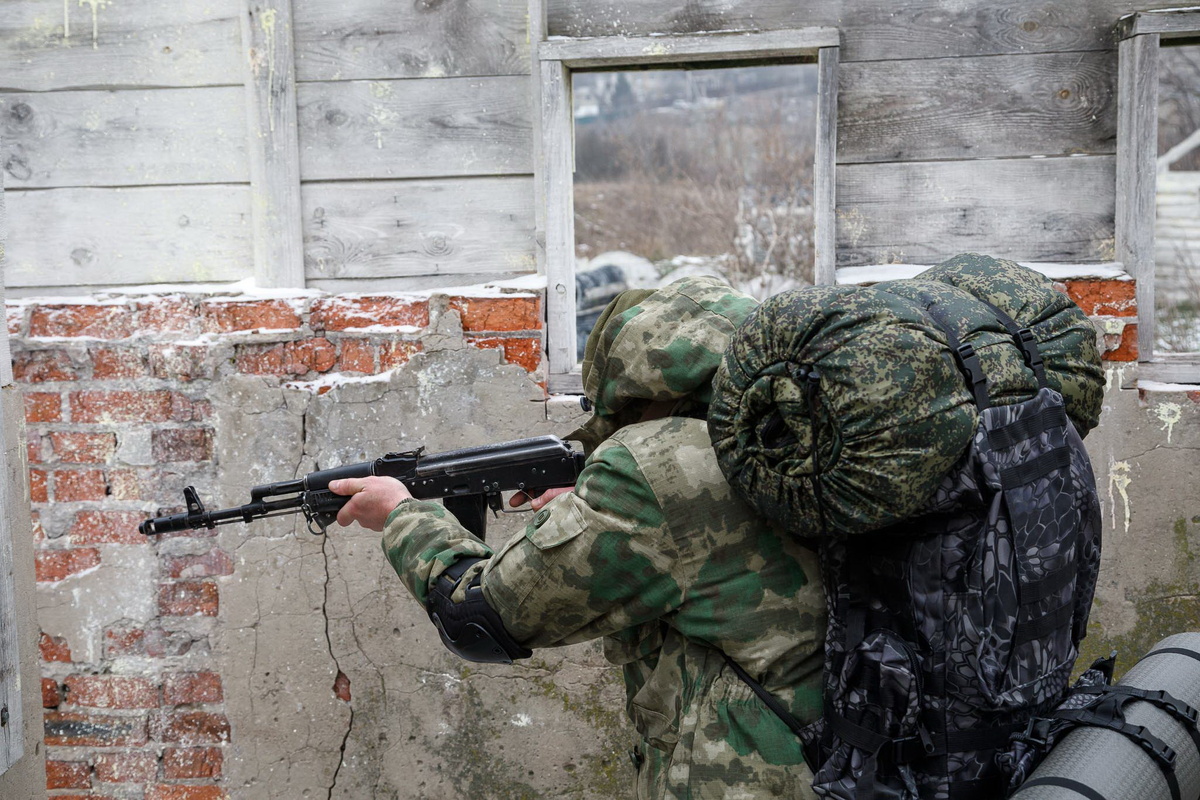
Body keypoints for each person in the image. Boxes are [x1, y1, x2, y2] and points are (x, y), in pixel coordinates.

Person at [330, 277, 826, 799]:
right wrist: (598, 498)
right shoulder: (790, 440)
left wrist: (401, 514)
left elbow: (478, 617)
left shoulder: (655, 468)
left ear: (636, 386)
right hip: (837, 761)